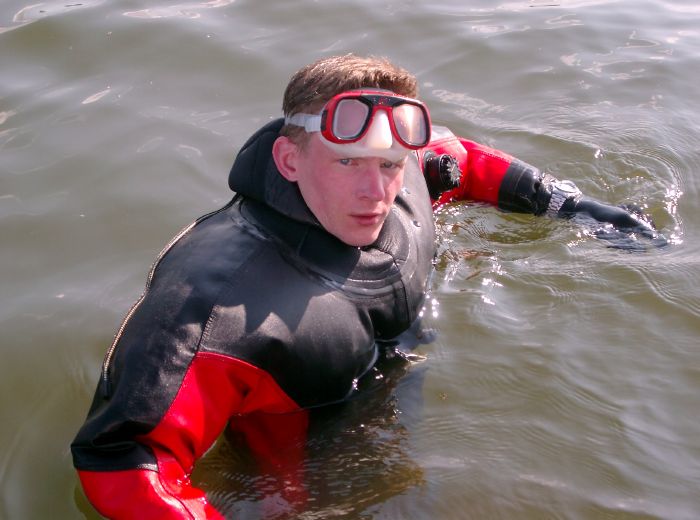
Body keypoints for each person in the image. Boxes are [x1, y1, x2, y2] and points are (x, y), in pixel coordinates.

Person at [71, 54, 661, 519]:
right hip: (294, 486)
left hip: (399, 409)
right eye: (347, 163)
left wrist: (579, 209)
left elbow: (462, 159)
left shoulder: (407, 178)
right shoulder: (213, 305)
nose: (375, 192)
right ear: (289, 160)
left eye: (388, 164)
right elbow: (122, 460)